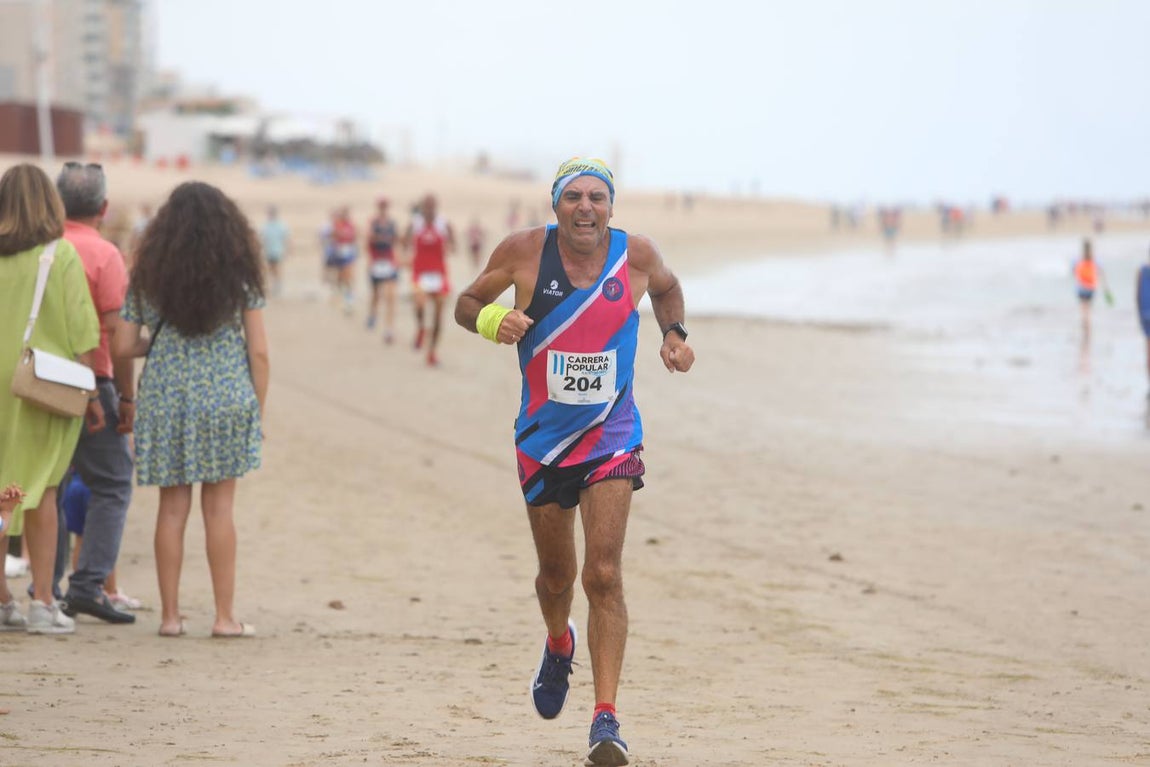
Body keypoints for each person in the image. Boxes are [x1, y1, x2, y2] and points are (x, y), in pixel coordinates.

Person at [454, 157, 695, 766]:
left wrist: (675, 335)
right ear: (555, 204)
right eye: (573, 197)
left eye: (596, 197)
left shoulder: (636, 255)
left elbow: (667, 288)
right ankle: (558, 643)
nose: (585, 207)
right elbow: (464, 302)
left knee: (604, 574)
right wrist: (492, 318)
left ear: (611, 206)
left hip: (612, 435)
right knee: (556, 576)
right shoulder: (523, 253)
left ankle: (605, 720)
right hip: (541, 440)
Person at [113, 181, 269, 639]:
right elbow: (259, 353)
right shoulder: (240, 275)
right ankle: (224, 618)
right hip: (226, 397)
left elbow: (122, 344)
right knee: (220, 511)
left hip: (166, 397)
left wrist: (155, 346)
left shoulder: (149, 276)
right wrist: (256, 412)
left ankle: (170, 618)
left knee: (171, 509)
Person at [0, 163, 103, 635]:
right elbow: (84, 332)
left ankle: (2, 602)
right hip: (41, 383)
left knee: (2, 490)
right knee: (41, 489)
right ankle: (43, 600)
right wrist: (95, 393)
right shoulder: (58, 256)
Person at [53, 161, 137, 625]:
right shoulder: (104, 255)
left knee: (48, 484)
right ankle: (87, 585)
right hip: (91, 379)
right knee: (111, 483)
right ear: (103, 208)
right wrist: (126, 398)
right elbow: (117, 337)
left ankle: (44, 587)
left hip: (35, 378)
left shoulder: (39, 247)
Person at [402, 194, 456, 367]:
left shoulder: (443, 224)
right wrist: (404, 257)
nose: (429, 209)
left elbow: (454, 245)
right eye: (426, 206)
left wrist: (450, 245)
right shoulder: (415, 223)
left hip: (439, 274)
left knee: (439, 316)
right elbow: (403, 242)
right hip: (420, 273)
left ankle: (432, 352)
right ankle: (420, 328)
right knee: (419, 304)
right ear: (422, 207)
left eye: (432, 206)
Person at [365, 197, 400, 343]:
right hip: (377, 261)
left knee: (390, 296)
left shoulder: (392, 223)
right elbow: (369, 240)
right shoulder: (373, 223)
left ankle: (389, 328)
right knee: (375, 294)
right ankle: (372, 314)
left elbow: (396, 240)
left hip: (389, 261)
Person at [1073, 238, 1108, 338]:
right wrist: (1105, 287)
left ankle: (1084, 324)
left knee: (1083, 307)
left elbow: (1074, 272)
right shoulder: (1095, 260)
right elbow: (1100, 272)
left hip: (1081, 287)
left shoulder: (1078, 259)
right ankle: (1088, 325)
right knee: (1088, 308)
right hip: (1091, 287)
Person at [260, 205, 291, 297]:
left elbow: (286, 239)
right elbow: (262, 239)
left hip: (277, 250)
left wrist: (287, 249)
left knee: (276, 270)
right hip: (268, 251)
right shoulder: (265, 226)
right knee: (269, 270)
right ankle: (271, 287)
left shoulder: (281, 226)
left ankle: (277, 287)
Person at [1136, 246, 1150, 395]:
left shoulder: (1141, 270)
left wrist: (1139, 315)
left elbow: (1137, 295)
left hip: (1146, 314)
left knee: (1148, 351)